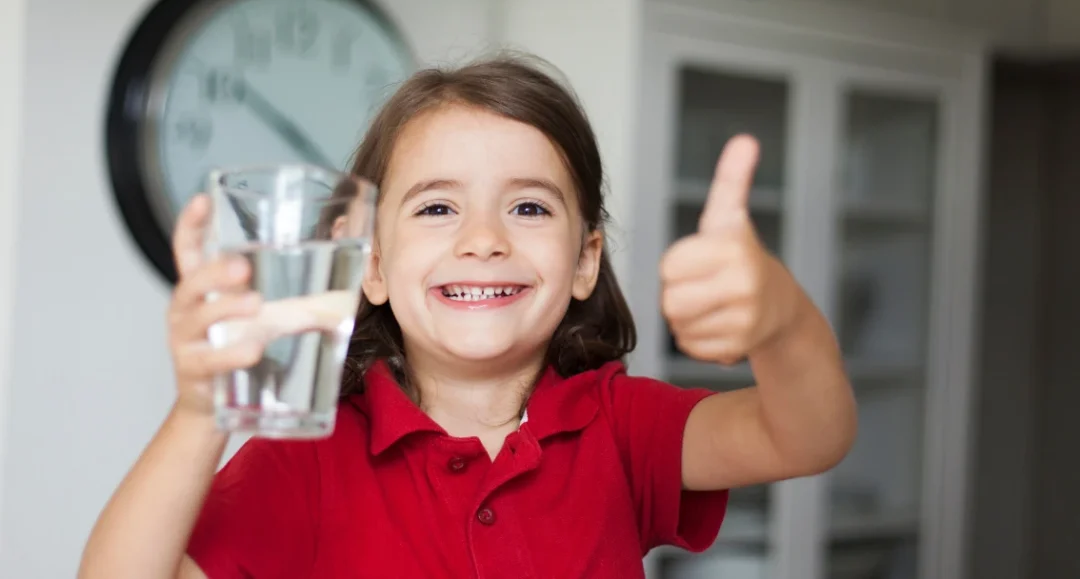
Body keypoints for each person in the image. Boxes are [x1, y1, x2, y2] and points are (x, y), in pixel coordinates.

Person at [78, 54, 857, 579]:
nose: (483, 240)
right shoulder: (308, 459)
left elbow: (808, 434)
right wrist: (199, 410)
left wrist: (780, 320)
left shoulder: (621, 429)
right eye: (438, 206)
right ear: (372, 267)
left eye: (526, 206)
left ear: (586, 258)